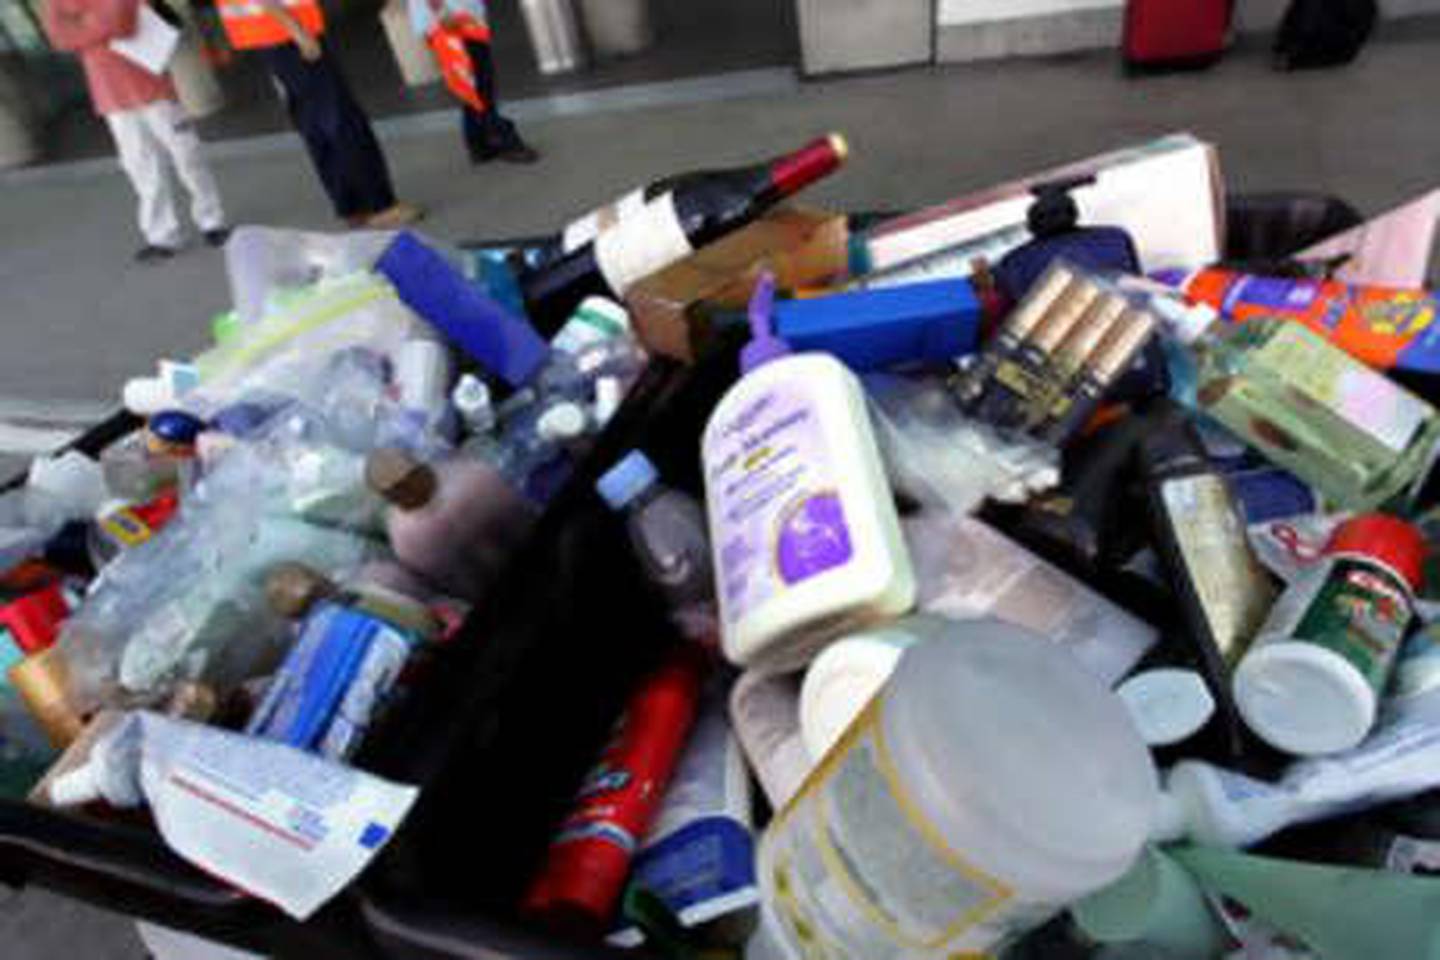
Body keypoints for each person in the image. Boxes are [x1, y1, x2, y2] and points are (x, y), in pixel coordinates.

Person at [42, 0, 229, 263]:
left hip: (151, 84)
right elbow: (58, 38)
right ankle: (162, 236)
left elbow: (121, 25)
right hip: (110, 94)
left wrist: (82, 26)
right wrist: (97, 25)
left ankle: (212, 222)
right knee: (140, 165)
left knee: (187, 154)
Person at [217, 0, 422, 228]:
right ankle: (380, 205)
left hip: (268, 35)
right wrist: (298, 32)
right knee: (342, 119)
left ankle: (350, 205)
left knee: (314, 122)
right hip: (286, 33)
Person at [406, 0, 538, 165]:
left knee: (472, 83)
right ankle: (502, 139)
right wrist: (441, 11)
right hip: (451, 19)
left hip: (458, 17)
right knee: (480, 82)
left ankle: (478, 143)